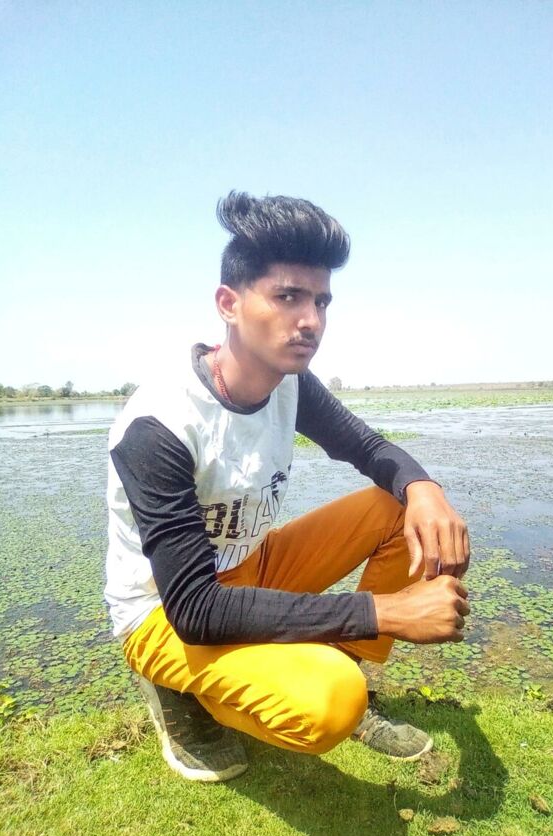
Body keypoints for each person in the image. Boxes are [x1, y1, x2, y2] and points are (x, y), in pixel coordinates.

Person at [104, 191, 470, 782]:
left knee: (394, 504)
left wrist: (424, 489)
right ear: (229, 303)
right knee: (329, 704)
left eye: (321, 301)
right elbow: (196, 608)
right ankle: (181, 693)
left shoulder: (290, 384)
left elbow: (369, 449)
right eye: (288, 297)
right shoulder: (160, 426)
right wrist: (384, 611)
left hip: (251, 566)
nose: (311, 321)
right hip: (166, 610)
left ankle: (347, 672)